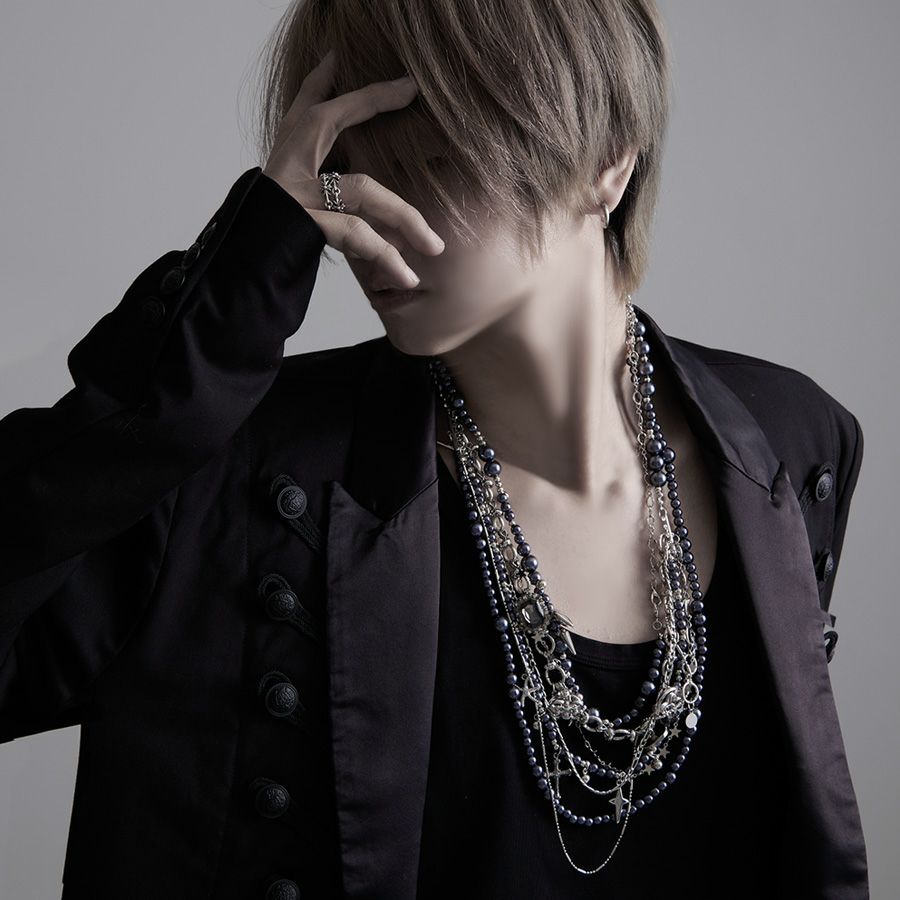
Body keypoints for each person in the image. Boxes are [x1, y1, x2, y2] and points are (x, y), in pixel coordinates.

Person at [0, 2, 868, 898]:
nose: (373, 217)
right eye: (346, 173)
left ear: (608, 163)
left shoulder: (789, 445)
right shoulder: (238, 470)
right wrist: (230, 294)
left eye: (434, 164)